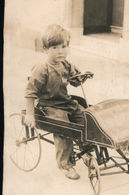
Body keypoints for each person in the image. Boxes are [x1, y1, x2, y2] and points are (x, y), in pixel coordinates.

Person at [25, 24, 88, 180]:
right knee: (63, 128)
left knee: (85, 118)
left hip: (66, 103)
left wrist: (82, 78)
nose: (60, 51)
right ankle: (65, 164)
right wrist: (30, 115)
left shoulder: (66, 64)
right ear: (45, 49)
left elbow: (75, 81)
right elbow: (30, 92)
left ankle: (85, 151)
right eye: (54, 48)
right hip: (50, 106)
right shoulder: (42, 68)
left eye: (64, 46)